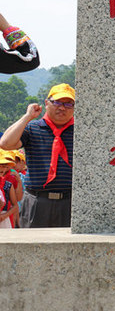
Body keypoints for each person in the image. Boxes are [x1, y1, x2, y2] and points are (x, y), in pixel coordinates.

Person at [0, 83, 75, 227]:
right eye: (57, 102)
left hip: (70, 201)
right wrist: (27, 117)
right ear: (47, 103)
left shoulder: (81, 131)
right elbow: (5, 143)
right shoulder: (32, 128)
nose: (62, 107)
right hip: (37, 201)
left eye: (68, 104)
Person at [0, 151, 20, 228]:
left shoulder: (8, 185)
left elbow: (15, 206)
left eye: (5, 166)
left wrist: (4, 216)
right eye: (1, 165)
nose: (3, 169)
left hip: (3, 220)